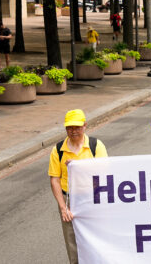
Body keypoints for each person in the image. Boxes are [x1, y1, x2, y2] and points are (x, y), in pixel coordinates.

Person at [48, 109, 107, 264]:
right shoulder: (58, 150)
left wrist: (79, 167)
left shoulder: (96, 145)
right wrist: (62, 208)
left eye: (76, 127)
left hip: (92, 198)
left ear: (84, 126)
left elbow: (104, 173)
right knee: (72, 243)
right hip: (69, 200)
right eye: (69, 128)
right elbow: (54, 179)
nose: (73, 131)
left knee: (96, 238)